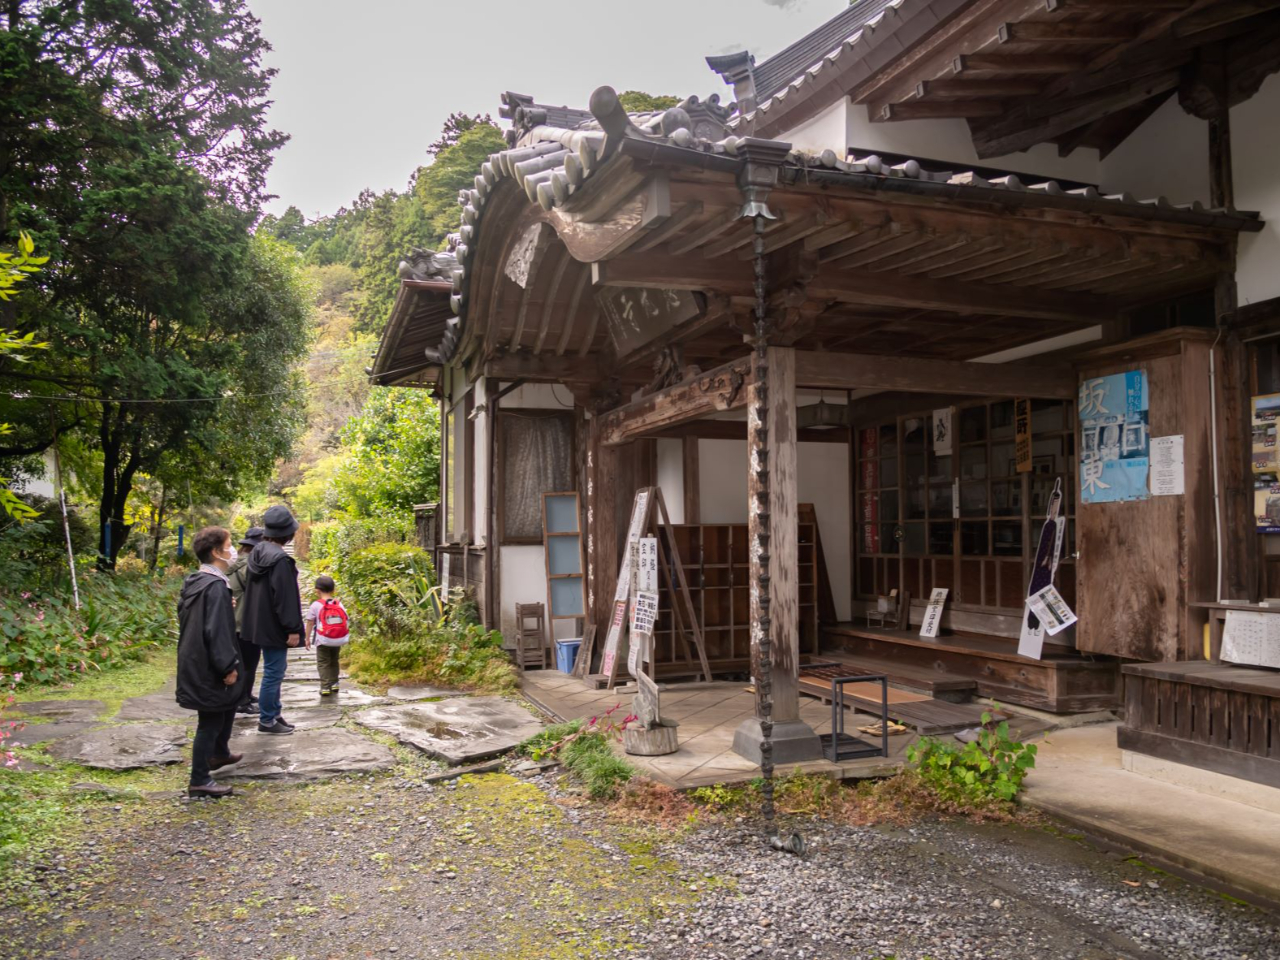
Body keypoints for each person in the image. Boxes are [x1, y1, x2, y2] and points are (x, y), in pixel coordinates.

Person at [176, 526, 245, 798]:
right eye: (229, 546)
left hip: (194, 659)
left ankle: (219, 754)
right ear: (216, 552)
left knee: (223, 710)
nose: (233, 551)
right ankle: (200, 779)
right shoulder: (215, 587)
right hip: (208, 664)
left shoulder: (199, 581)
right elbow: (215, 631)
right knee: (210, 720)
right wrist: (227, 666)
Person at [241, 505, 305, 735]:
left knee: (273, 670)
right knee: (274, 672)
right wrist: (293, 628)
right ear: (288, 533)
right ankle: (267, 720)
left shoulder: (257, 553)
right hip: (274, 625)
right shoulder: (280, 560)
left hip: (258, 621)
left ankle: (275, 713)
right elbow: (285, 598)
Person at [228, 527, 265, 715]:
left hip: (232, 621)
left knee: (241, 662)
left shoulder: (233, 565)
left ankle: (245, 695)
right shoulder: (250, 567)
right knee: (249, 663)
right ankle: (242, 700)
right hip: (246, 622)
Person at [304, 575, 350, 696]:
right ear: (333, 590)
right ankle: (334, 683)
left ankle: (325, 686)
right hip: (337, 638)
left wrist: (307, 638)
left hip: (323, 639)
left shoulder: (316, 605)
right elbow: (346, 619)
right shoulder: (339, 604)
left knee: (323, 662)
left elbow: (310, 622)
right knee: (334, 660)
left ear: (317, 590)